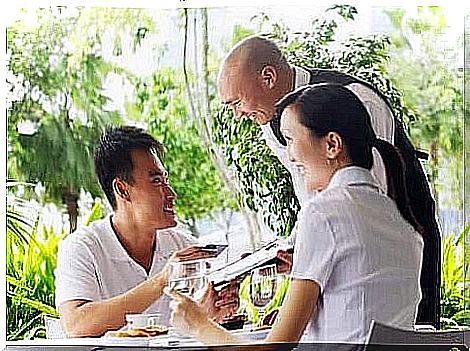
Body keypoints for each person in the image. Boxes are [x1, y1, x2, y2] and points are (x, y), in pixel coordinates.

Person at [166, 84, 424, 346]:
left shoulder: (324, 211)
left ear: (332, 144)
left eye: (289, 139)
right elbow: (361, 300)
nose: (289, 155)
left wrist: (197, 323)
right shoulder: (402, 223)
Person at [217, 35, 440, 327]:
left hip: (397, 260)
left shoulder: (357, 100)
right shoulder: (273, 120)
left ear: (268, 77)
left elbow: (365, 209)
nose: (237, 114)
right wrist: (300, 258)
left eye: (237, 102)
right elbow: (312, 195)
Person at [55, 126, 225, 337]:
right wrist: (162, 280)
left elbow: (190, 328)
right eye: (156, 181)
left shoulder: (185, 247)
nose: (171, 194)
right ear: (122, 190)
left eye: (166, 180)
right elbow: (77, 325)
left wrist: (213, 314)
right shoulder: (82, 248)